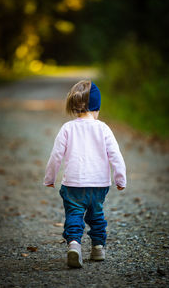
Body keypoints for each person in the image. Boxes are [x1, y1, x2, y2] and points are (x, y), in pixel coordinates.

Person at [43, 80, 126, 268]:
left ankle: (74, 244)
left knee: (74, 214)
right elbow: (115, 155)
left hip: (73, 184)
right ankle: (98, 247)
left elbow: (56, 156)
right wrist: (120, 178)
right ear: (96, 107)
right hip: (99, 185)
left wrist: (50, 178)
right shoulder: (103, 128)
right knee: (96, 215)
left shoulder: (67, 128)